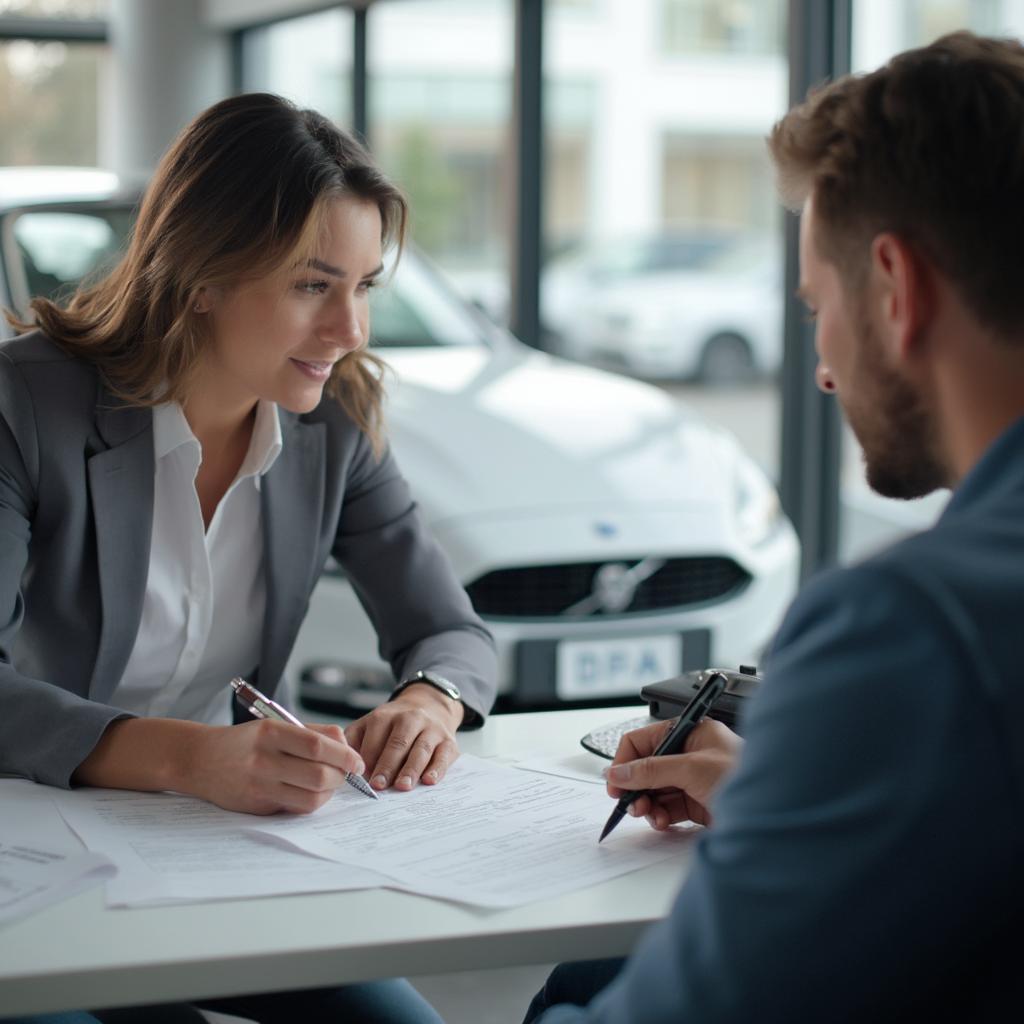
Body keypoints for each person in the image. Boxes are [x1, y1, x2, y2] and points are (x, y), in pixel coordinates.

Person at [525, 30, 1024, 1023]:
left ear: (895, 287)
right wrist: (779, 797)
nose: (824, 367)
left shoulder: (910, 625)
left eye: (814, 308)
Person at [0, 92, 497, 1024]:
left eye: (362, 287)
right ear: (202, 278)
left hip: (214, 843)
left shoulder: (333, 423)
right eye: (314, 285)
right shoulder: (26, 408)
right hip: (32, 839)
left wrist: (431, 697)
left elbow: (449, 630)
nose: (350, 330)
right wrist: (194, 760)